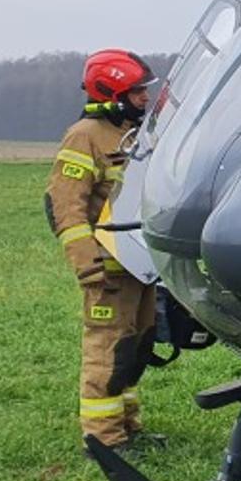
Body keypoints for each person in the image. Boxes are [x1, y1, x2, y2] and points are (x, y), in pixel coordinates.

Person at [47, 49, 161, 458]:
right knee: (107, 350)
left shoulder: (133, 133)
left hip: (137, 266)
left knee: (135, 347)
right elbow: (65, 203)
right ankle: (103, 438)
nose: (145, 99)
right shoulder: (85, 136)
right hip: (106, 269)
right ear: (112, 94)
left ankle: (128, 426)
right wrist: (85, 262)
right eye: (137, 93)